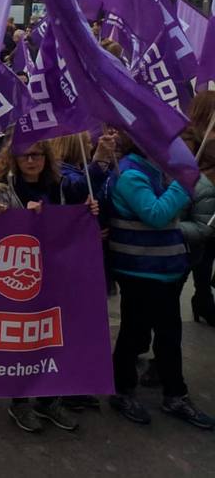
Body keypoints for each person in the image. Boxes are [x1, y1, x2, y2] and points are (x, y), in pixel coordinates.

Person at [106, 136, 214, 429]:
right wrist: (183, 184)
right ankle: (122, 389)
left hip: (165, 266)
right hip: (140, 269)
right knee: (134, 330)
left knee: (169, 334)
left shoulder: (157, 170)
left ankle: (175, 394)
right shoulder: (130, 173)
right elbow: (156, 214)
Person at [0, 141, 99, 433]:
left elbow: (73, 223)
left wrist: (88, 212)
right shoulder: (6, 188)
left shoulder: (60, 187)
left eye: (37, 155)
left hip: (57, 273)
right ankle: (19, 401)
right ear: (15, 159)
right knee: (22, 338)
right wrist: (16, 214)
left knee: (52, 335)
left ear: (46, 158)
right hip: (21, 277)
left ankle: (48, 398)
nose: (31, 160)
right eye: (25, 155)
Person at [180, 91, 215, 325]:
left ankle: (203, 298)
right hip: (198, 201)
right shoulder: (192, 134)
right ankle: (202, 300)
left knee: (209, 253)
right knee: (200, 254)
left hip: (209, 202)